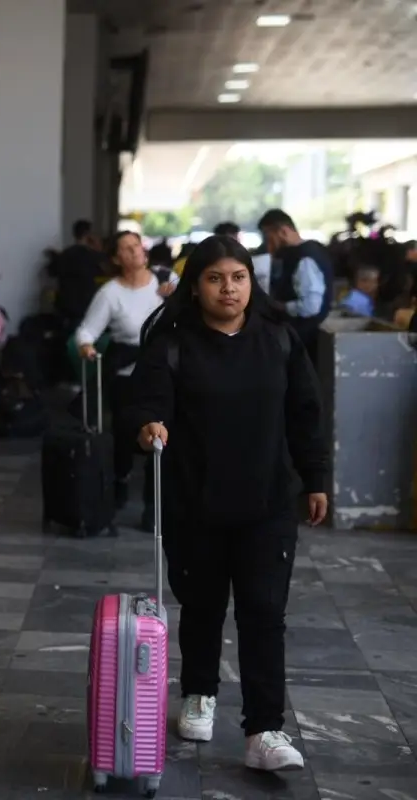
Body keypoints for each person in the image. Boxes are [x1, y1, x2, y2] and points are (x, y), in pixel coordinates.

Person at [123, 234, 327, 773]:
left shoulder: (279, 338)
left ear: (250, 282)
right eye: (215, 278)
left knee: (264, 613)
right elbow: (145, 405)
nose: (228, 288)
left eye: (237, 277)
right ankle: (198, 693)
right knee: (203, 604)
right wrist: (148, 429)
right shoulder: (171, 344)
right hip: (197, 501)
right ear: (195, 287)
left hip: (269, 503)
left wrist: (316, 478)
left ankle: (265, 729)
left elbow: (305, 414)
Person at [75, 230, 178, 511]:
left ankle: (152, 502)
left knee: (164, 434)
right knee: (126, 434)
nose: (136, 252)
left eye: (137, 246)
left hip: (164, 373)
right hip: (127, 375)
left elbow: (194, 315)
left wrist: (176, 301)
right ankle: (119, 483)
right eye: (127, 249)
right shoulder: (111, 293)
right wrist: (86, 346)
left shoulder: (166, 281)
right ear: (116, 258)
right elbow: (87, 330)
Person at [258, 208, 334, 359]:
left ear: (283, 231)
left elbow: (311, 306)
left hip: (303, 337)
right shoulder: (301, 253)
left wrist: (281, 306)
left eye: (269, 236)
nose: (268, 243)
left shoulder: (305, 258)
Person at [50, 218, 107, 327]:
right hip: (84, 306)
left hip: (64, 304)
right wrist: (98, 246)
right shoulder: (92, 256)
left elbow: (53, 272)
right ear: (89, 234)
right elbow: (105, 270)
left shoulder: (65, 254)